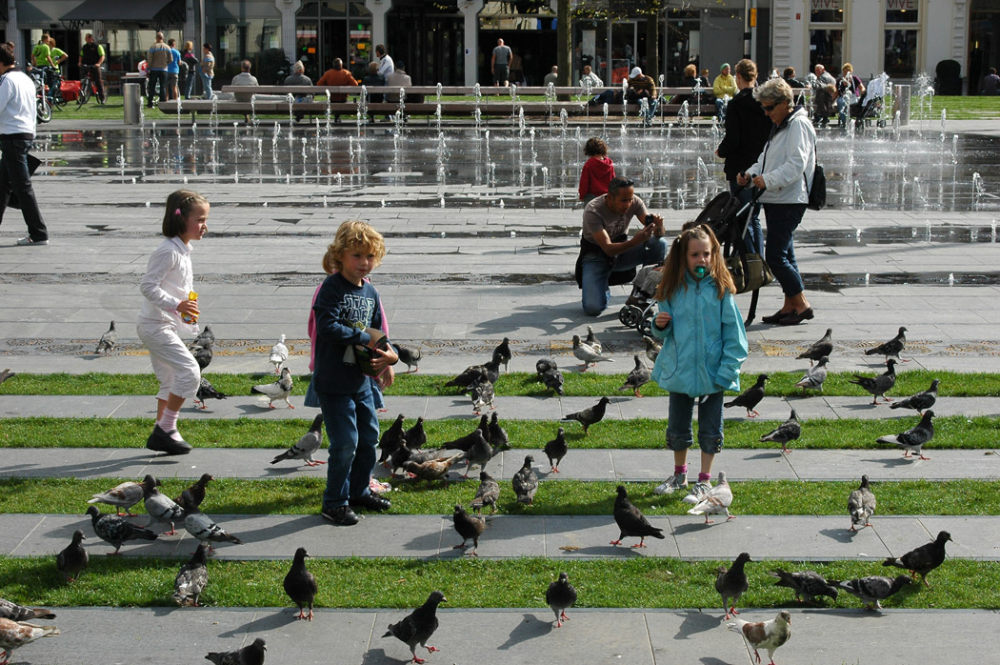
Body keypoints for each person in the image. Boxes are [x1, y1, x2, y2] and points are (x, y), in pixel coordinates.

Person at [650, 223, 748, 499]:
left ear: (713, 255)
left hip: (712, 373)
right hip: (680, 371)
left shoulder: (720, 291)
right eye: (695, 255)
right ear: (683, 257)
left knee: (710, 430)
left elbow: (735, 337)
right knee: (678, 428)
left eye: (706, 254)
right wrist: (658, 325)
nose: (701, 260)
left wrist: (727, 370)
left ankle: (704, 479)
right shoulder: (671, 290)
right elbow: (663, 332)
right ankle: (680, 474)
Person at [313, 220, 399, 526]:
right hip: (334, 382)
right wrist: (364, 338)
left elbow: (378, 332)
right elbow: (327, 326)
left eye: (370, 257)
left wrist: (391, 355)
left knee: (369, 438)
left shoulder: (371, 292)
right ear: (340, 255)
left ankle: (359, 490)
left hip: (361, 381)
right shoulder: (331, 288)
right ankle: (334, 502)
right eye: (357, 256)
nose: (364, 263)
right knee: (345, 442)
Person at [738, 77, 816, 326]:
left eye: (770, 107)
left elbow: (796, 164)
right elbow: (764, 159)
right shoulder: (782, 126)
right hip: (778, 197)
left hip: (790, 199)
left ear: (785, 103)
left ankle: (801, 304)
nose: (766, 112)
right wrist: (750, 175)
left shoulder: (797, 126)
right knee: (786, 254)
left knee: (775, 257)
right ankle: (789, 305)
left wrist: (767, 180)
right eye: (764, 108)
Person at [137, 190, 210, 456]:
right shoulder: (168, 251)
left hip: (163, 324)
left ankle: (164, 433)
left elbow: (176, 288)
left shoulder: (183, 251)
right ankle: (166, 428)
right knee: (190, 371)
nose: (205, 226)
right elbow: (147, 285)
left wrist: (185, 311)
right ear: (181, 220)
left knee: (169, 380)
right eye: (200, 220)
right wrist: (176, 304)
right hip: (154, 325)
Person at [578, 176, 668, 316]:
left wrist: (659, 226)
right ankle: (602, 286)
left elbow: (658, 234)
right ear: (610, 197)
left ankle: (639, 296)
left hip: (622, 253)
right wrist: (635, 241)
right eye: (624, 200)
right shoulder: (593, 210)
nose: (628, 204)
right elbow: (607, 248)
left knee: (659, 244)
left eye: (630, 199)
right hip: (596, 255)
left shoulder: (635, 202)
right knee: (593, 308)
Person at [715, 58, 770, 254]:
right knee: (753, 217)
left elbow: (733, 138)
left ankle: (748, 261)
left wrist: (721, 151)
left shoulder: (736, 103)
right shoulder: (765, 102)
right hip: (762, 165)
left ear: (738, 77)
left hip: (740, 166)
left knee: (741, 217)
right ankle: (758, 260)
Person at [0, 46, 48, 247]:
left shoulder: (6, 80)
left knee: (22, 187)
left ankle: (38, 233)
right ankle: (38, 232)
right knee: (2, 185)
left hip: (12, 137)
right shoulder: (25, 79)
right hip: (25, 134)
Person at [578, 138, 615, 203]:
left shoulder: (588, 165)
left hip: (592, 198)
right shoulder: (609, 164)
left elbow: (584, 183)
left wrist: (582, 196)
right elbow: (614, 181)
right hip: (607, 196)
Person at [78, 33, 107, 104]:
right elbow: (81, 55)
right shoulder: (84, 47)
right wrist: (80, 62)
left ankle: (102, 98)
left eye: (87, 38)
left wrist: (98, 64)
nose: (86, 39)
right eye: (85, 38)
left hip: (95, 66)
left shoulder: (97, 46)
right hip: (86, 65)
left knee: (98, 81)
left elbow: (102, 56)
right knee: (83, 81)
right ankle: (81, 98)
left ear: (91, 38)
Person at [146, 32, 171, 107]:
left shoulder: (153, 47)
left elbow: (149, 59)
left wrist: (148, 68)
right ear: (163, 38)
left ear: (156, 38)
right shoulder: (167, 47)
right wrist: (166, 63)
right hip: (164, 69)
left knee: (152, 86)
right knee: (163, 86)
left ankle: (150, 103)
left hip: (154, 69)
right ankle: (162, 102)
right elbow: (171, 59)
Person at [836, 63, 865, 127]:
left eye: (848, 71)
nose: (846, 73)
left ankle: (856, 119)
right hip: (843, 97)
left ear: (851, 72)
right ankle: (845, 121)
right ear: (843, 71)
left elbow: (862, 87)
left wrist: (863, 91)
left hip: (854, 97)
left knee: (861, 103)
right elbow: (837, 92)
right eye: (845, 71)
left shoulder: (854, 79)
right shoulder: (840, 80)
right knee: (841, 102)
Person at [811, 63, 836, 127]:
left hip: (827, 99)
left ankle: (820, 117)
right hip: (829, 98)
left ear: (823, 70)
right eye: (816, 70)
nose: (816, 72)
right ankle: (820, 116)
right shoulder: (828, 75)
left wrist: (812, 85)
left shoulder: (823, 77)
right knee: (820, 95)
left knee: (819, 94)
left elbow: (819, 86)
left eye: (818, 70)